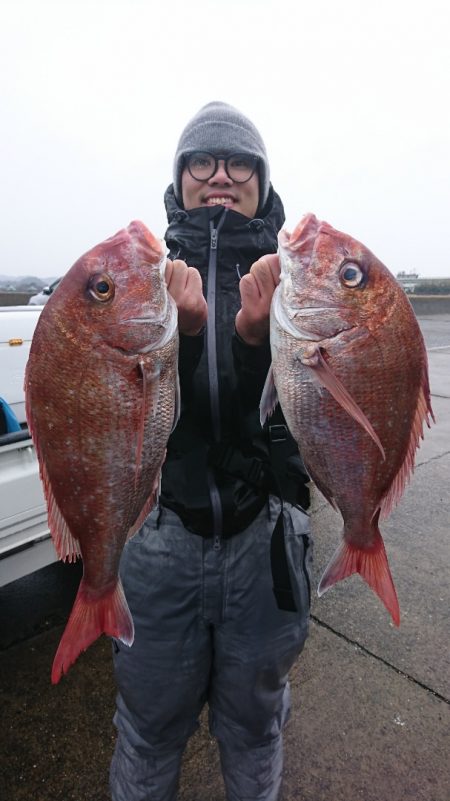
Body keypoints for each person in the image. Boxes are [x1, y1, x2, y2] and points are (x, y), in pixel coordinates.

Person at [110, 101, 312, 801]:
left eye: (239, 163)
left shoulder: (300, 273)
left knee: (256, 728)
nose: (220, 176)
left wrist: (257, 340)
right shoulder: (144, 273)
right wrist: (189, 331)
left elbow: (302, 422)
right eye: (203, 161)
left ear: (260, 177)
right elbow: (151, 416)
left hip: (263, 539)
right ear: (181, 174)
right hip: (161, 536)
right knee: (147, 726)